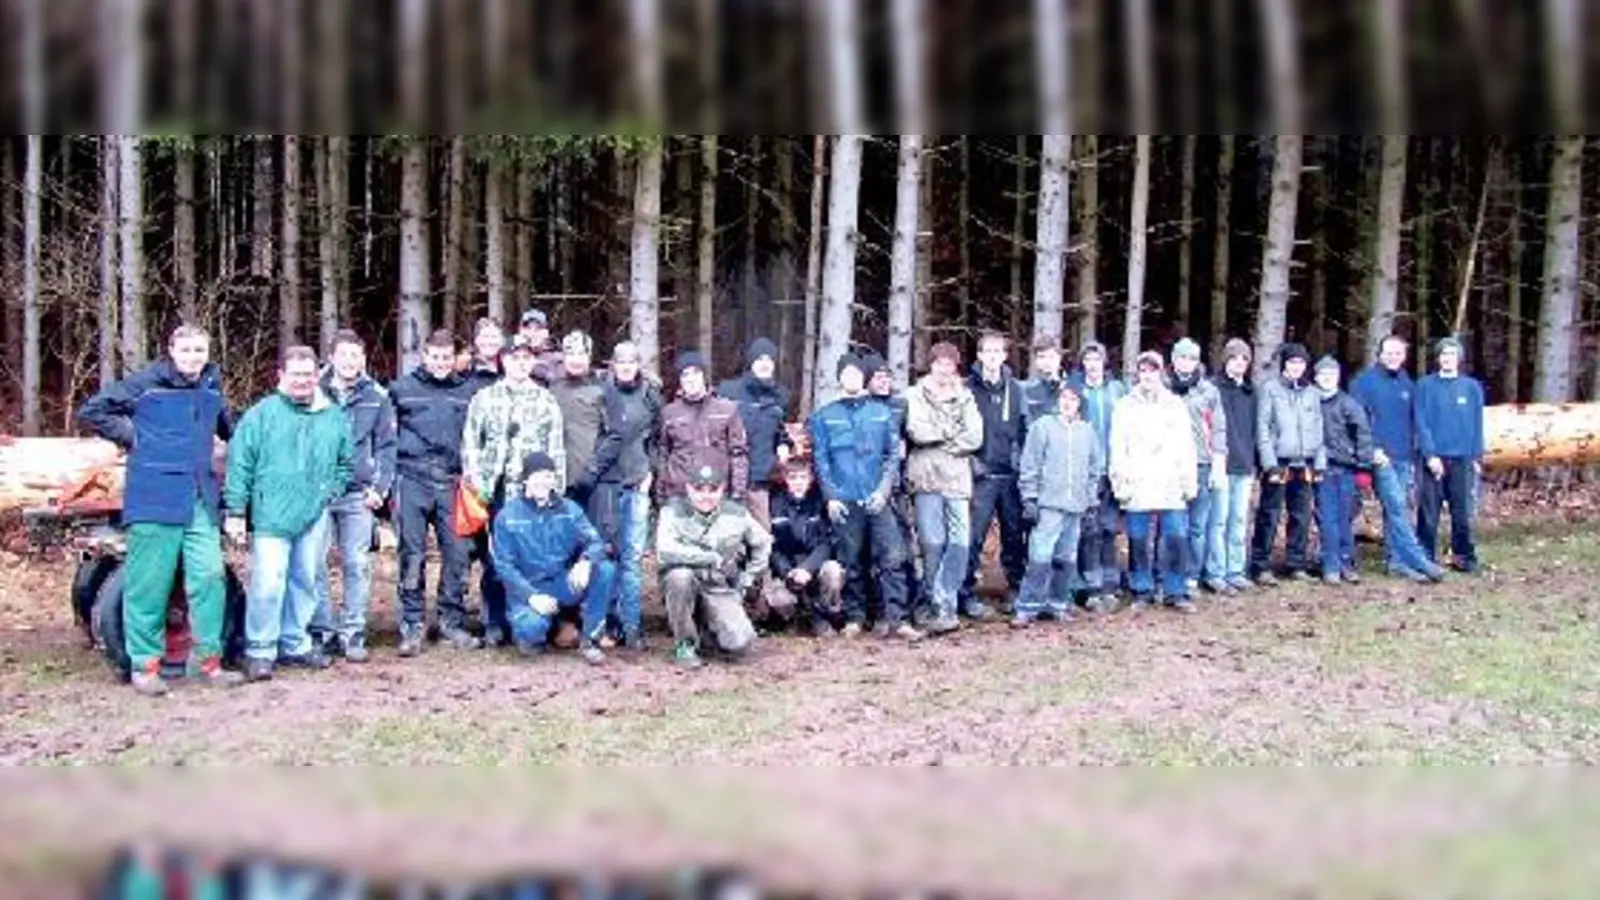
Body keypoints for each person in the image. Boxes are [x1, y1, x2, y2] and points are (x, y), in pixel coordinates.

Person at [76, 324, 245, 694]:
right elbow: (92, 410)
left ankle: (210, 662)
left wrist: (244, 444)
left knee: (210, 577)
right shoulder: (147, 383)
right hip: (155, 495)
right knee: (149, 584)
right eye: (185, 350)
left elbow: (227, 427)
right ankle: (145, 667)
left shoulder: (210, 384)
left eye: (200, 350)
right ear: (171, 350)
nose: (193, 357)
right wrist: (135, 437)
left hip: (200, 496)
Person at [223, 346, 355, 681]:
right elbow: (240, 465)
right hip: (271, 515)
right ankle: (260, 649)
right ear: (281, 375)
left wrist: (331, 491)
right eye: (295, 374)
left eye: (308, 375)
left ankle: (295, 641)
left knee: (306, 580)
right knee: (268, 582)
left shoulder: (332, 415)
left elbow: (345, 461)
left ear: (317, 377)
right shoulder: (261, 415)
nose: (302, 381)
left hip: (314, 514)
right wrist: (236, 510)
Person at [460, 332, 567, 648]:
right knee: (496, 561)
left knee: (533, 560)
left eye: (525, 358)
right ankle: (495, 622)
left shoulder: (546, 401)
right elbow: (470, 444)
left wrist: (554, 493)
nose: (520, 364)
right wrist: (478, 485)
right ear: (502, 360)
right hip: (494, 494)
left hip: (533, 497)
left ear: (532, 361)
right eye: (514, 358)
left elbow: (556, 450)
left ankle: (532, 623)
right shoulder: (484, 399)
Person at [808, 354, 922, 641]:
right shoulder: (824, 416)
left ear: (864, 379)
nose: (852, 379)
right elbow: (821, 460)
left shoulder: (882, 413)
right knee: (851, 561)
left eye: (857, 374)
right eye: (846, 374)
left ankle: (898, 619)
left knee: (893, 557)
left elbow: (891, 456)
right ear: (839, 378)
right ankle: (855, 618)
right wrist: (830, 497)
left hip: (877, 498)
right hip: (845, 500)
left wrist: (884, 490)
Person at [389, 329, 480, 655]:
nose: (440, 363)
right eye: (435, 357)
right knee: (412, 555)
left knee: (457, 555)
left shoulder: (467, 392)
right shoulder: (401, 390)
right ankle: (411, 625)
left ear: (454, 359)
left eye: (446, 358)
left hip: (452, 481)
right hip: (411, 478)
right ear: (424, 356)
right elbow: (386, 437)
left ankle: (450, 622)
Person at [307, 329, 396, 663]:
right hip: (317, 494)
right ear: (332, 357)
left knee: (356, 563)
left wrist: (380, 488)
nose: (349, 362)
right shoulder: (313, 392)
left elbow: (387, 446)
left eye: (356, 355)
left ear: (363, 358)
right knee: (314, 562)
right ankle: (322, 632)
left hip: (358, 495)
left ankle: (353, 632)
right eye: (343, 355)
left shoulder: (377, 396)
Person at [489, 451, 617, 664]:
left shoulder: (569, 510)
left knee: (605, 569)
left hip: (561, 583)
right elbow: (504, 566)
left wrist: (585, 561)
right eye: (537, 476)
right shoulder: (508, 516)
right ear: (526, 479)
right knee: (530, 632)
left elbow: (596, 542)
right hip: (527, 589)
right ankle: (547, 627)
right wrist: (531, 596)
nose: (543, 482)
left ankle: (590, 639)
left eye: (549, 476)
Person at [655, 462, 772, 667]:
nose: (705, 496)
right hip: (685, 583)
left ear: (722, 490)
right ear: (689, 489)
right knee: (679, 578)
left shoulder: (736, 513)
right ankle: (685, 644)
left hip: (719, 586)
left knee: (740, 643)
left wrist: (748, 580)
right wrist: (708, 557)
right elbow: (665, 551)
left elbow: (763, 543)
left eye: (713, 490)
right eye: (699, 490)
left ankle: (707, 629)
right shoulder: (671, 512)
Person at [902, 341, 984, 635]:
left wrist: (942, 440)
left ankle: (945, 597)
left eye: (950, 365)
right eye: (939, 363)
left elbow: (975, 436)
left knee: (960, 541)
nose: (944, 370)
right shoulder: (913, 394)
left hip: (957, 480)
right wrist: (950, 434)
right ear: (931, 364)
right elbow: (917, 430)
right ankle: (934, 604)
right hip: (925, 478)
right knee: (931, 543)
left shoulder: (965, 397)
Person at [586, 340, 662, 649]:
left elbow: (659, 439)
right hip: (605, 486)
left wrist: (651, 472)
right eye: (621, 362)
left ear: (639, 364)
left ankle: (631, 626)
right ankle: (605, 624)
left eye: (632, 361)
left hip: (637, 484)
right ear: (612, 365)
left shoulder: (651, 396)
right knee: (606, 556)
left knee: (631, 558)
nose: (626, 366)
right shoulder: (602, 393)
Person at [1109, 351, 1199, 612]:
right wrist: (1120, 481)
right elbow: (1117, 446)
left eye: (1153, 370)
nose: (1148, 376)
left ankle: (1175, 590)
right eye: (1143, 371)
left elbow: (1186, 446)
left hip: (1170, 481)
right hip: (1138, 481)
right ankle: (1141, 589)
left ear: (1162, 373)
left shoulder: (1175, 405)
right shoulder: (1125, 406)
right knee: (1138, 538)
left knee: (1176, 537)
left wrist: (1188, 480)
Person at [1015, 382, 1102, 625]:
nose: (1067, 403)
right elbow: (1030, 464)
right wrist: (1029, 497)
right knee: (1040, 556)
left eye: (1073, 399)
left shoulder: (1087, 432)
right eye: (1064, 397)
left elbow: (1095, 469)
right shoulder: (1042, 427)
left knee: (1066, 557)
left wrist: (1091, 499)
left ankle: (1058, 603)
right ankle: (1028, 606)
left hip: (1076, 506)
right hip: (1048, 503)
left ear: (1079, 405)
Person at [960, 332, 1028, 619]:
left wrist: (1021, 464)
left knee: (1014, 535)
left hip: (1010, 475)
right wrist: (972, 463)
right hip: (980, 475)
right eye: (986, 351)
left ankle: (1015, 589)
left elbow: (1025, 429)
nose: (991, 357)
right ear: (979, 355)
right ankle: (965, 593)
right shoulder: (967, 389)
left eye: (997, 351)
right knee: (973, 537)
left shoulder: (1016, 389)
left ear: (1004, 355)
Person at [1250, 342, 1326, 585]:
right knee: (1269, 514)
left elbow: (1318, 429)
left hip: (1304, 462)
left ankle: (1296, 563)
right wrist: (1269, 463)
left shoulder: (1312, 393)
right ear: (1284, 364)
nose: (1296, 367)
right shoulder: (1270, 389)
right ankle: (1260, 565)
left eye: (1301, 363)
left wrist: (1319, 462)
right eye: (1292, 362)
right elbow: (1262, 427)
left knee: (1301, 515)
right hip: (1278, 460)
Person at [1351, 334, 1422, 572]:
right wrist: (1372, 449)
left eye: (1398, 353)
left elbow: (1413, 421)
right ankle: (1410, 558)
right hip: (1379, 457)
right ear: (1380, 354)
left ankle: (1396, 560)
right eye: (1389, 352)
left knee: (1397, 508)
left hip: (1403, 456)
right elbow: (1357, 420)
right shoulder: (1364, 382)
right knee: (1396, 506)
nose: (1393, 357)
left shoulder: (1406, 383)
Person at [1414, 336, 1485, 573]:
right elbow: (1421, 422)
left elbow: (1477, 424)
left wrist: (1476, 456)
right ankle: (1425, 556)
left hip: (1462, 458)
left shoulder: (1471, 388)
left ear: (1459, 359)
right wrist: (1430, 455)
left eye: (1452, 355)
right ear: (1437, 358)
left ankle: (1463, 555)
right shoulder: (1425, 386)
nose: (1447, 359)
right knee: (1429, 512)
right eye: (1443, 354)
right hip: (1433, 458)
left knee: (1462, 511)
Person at [1166, 338, 1229, 594]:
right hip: (1170, 464)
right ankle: (1169, 574)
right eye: (1183, 357)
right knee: (1172, 524)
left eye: (1192, 358)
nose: (1187, 363)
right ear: (1173, 359)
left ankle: (1192, 574)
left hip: (1201, 463)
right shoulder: (1162, 387)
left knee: (1197, 526)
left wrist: (1218, 460)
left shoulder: (1209, 391)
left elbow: (1218, 428)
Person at [1066, 341, 1128, 598]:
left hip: (1113, 467)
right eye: (1088, 360)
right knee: (1088, 528)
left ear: (1104, 362)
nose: (1093, 365)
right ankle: (1089, 583)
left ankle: (1110, 582)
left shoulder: (1117, 389)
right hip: (1086, 469)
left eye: (1097, 359)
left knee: (1109, 527)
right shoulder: (1075, 390)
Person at [761, 458, 846, 634]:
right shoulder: (776, 503)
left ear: (811, 479)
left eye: (802, 477)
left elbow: (825, 543)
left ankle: (822, 616)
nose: (798, 482)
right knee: (778, 598)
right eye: (793, 478)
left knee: (833, 571)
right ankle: (796, 618)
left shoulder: (820, 502)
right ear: (785, 479)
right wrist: (788, 572)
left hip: (814, 565)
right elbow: (774, 547)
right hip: (789, 568)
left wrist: (807, 569)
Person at [657, 351, 751, 502]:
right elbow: (663, 454)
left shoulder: (727, 410)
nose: (690, 379)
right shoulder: (669, 413)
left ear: (704, 376)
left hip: (716, 492)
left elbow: (738, 454)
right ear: (680, 380)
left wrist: (738, 493)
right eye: (685, 375)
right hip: (680, 494)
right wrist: (661, 493)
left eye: (695, 373)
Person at [1312, 356, 1375, 585]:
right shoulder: (1311, 402)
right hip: (1321, 468)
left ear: (1338, 377)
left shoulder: (1349, 404)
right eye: (1323, 374)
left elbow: (1364, 435)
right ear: (1316, 377)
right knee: (1326, 517)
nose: (1327, 379)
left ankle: (1346, 562)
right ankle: (1330, 564)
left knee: (1344, 517)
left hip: (1347, 468)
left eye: (1332, 374)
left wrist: (1364, 467)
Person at [717, 337, 791, 528]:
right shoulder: (729, 390)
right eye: (759, 359)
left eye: (769, 360)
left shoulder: (780, 395)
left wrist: (784, 444)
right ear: (751, 362)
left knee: (762, 537)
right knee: (729, 539)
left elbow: (780, 429)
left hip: (760, 480)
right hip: (729, 480)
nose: (764, 364)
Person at [1208, 338, 1259, 594]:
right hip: (1221, 465)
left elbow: (1255, 431)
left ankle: (1235, 570)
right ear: (1225, 360)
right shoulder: (1213, 389)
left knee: (1238, 520)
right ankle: (1215, 572)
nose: (1239, 364)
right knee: (1218, 521)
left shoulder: (1250, 392)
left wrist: (1255, 462)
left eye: (1244, 359)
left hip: (1244, 465)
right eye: (1234, 358)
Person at [550, 330, 608, 509]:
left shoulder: (602, 390)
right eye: (571, 353)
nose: (576, 359)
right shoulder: (552, 390)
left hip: (592, 482)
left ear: (589, 357)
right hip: (557, 483)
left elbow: (613, 435)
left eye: (581, 354)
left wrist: (593, 469)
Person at [1019, 336, 1066, 428]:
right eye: (1042, 357)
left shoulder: (1070, 389)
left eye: (1051, 357)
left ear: (1059, 358)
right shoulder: (1025, 389)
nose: (1047, 361)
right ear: (1036, 360)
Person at [516, 307, 564, 386]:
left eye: (538, 329)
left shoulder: (558, 359)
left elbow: (560, 385)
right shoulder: (510, 355)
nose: (532, 333)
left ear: (546, 333)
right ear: (520, 331)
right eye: (528, 328)